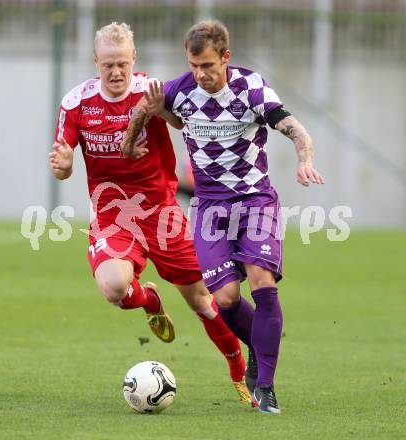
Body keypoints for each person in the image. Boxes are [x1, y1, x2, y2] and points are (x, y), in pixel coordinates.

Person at [122, 19, 325, 414]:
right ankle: (260, 342)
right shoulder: (179, 90)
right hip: (209, 207)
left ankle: (265, 386)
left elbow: (297, 130)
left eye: (209, 66)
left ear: (226, 58)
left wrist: (305, 161)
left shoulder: (251, 88)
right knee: (225, 297)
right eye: (195, 65)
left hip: (255, 201)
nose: (201, 74)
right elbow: (153, 116)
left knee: (261, 281)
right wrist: (134, 138)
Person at [48, 21, 252, 405]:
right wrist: (61, 164)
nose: (115, 71)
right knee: (113, 288)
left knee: (203, 302)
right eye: (108, 64)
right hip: (114, 218)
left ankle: (240, 373)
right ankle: (150, 300)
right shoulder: (76, 102)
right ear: (96, 61)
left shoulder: (152, 91)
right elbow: (63, 164)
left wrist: (164, 112)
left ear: (134, 60)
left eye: (122, 63)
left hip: (162, 214)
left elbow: (183, 122)